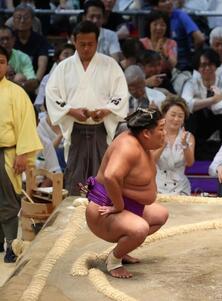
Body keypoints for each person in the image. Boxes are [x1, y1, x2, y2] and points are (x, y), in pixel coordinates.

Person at [46, 20, 129, 195]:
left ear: (97, 43)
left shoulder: (110, 65)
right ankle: (73, 216)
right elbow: (52, 95)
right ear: (74, 41)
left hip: (101, 129)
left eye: (90, 44)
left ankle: (100, 214)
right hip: (76, 128)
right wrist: (71, 110)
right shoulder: (64, 67)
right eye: (82, 44)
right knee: (75, 175)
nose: (86, 48)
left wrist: (106, 110)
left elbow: (121, 94)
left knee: (102, 173)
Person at [84, 108, 169, 278]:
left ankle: (122, 250)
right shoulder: (128, 146)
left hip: (127, 206)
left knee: (160, 215)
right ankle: (114, 261)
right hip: (104, 209)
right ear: (146, 133)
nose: (164, 133)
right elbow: (110, 175)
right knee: (140, 229)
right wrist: (118, 205)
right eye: (160, 129)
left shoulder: (141, 143)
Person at [0, 45, 42, 262]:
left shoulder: (17, 93)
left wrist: (23, 154)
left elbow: (27, 125)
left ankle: (10, 244)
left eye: (1, 62)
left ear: (7, 65)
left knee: (8, 202)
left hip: (8, 153)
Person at [181, 48, 222, 159]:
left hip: (220, 121)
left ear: (216, 65)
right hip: (200, 123)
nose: (207, 68)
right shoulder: (191, 83)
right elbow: (185, 104)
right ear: (198, 68)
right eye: (203, 65)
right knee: (190, 116)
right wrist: (213, 99)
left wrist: (213, 106)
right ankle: (191, 154)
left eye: (210, 64)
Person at [152, 96, 195, 195]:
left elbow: (190, 162)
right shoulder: (155, 134)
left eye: (180, 116)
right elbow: (150, 161)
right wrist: (163, 145)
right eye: (173, 115)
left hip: (181, 188)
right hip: (157, 186)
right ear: (164, 115)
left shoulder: (189, 136)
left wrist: (184, 145)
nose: (176, 119)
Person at [149, 0, 205, 71]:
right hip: (156, 67)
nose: (169, 2)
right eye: (163, 1)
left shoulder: (180, 15)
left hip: (181, 67)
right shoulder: (151, 18)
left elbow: (199, 39)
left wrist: (194, 58)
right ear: (156, 7)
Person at [11, 3, 50, 83]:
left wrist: (35, 83)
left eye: (25, 18)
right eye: (18, 17)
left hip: (33, 81)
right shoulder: (8, 39)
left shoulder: (41, 40)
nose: (22, 21)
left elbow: (42, 66)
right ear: (13, 20)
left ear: (32, 20)